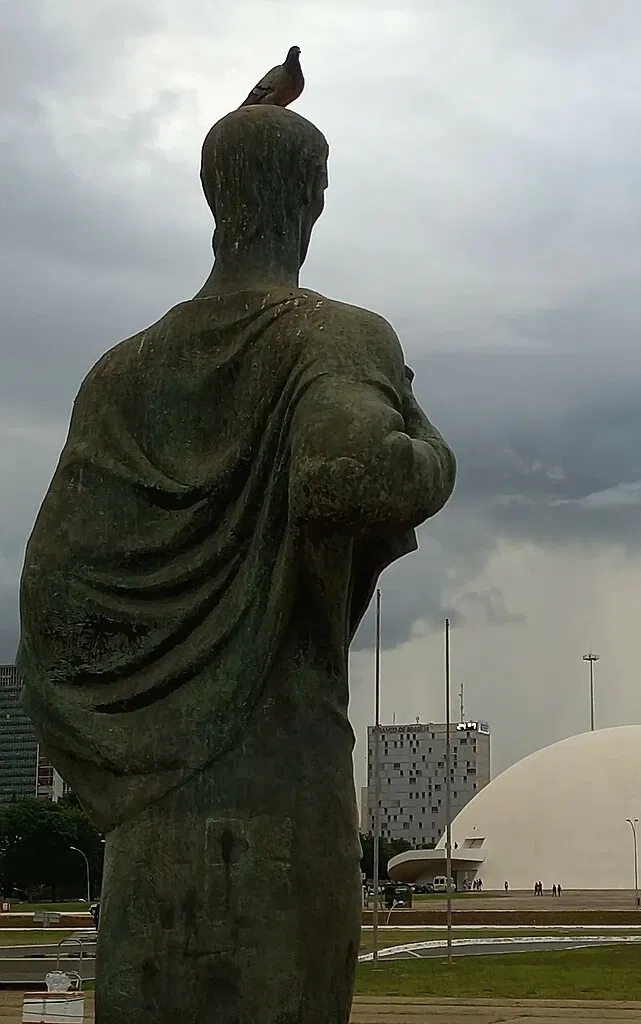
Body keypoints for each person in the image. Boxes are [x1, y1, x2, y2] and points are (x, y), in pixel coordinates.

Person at [18, 104, 455, 1024]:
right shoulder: (332, 334)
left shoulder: (121, 371)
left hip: (150, 807)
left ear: (214, 194)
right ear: (315, 198)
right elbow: (349, 476)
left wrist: (122, 734)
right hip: (280, 779)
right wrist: (426, 437)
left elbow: (52, 595)